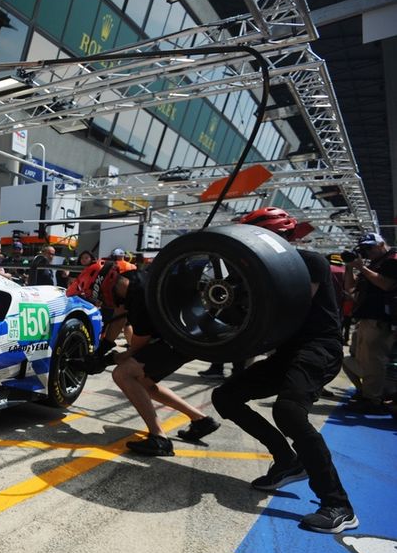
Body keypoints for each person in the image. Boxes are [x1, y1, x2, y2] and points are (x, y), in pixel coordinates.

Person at [211, 207, 357, 533]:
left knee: (289, 411)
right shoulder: (248, 272)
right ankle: (287, 460)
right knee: (226, 396)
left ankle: (339, 505)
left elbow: (289, 308)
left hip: (319, 348)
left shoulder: (309, 262)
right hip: (287, 351)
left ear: (282, 237)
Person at [73, 260, 219, 456]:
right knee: (144, 382)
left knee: (123, 375)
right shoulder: (133, 281)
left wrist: (110, 359)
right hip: (186, 334)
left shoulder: (141, 297)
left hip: (180, 340)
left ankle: (160, 439)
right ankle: (201, 420)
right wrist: (102, 349)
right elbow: (119, 316)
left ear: (104, 287)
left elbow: (136, 348)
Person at [342, 232, 397, 411]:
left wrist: (362, 268)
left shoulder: (392, 260)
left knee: (374, 360)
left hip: (380, 320)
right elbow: (351, 290)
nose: (367, 252)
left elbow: (387, 284)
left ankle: (372, 398)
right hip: (365, 319)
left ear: (381, 244)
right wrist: (350, 268)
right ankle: (367, 392)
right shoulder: (373, 265)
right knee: (354, 360)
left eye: (369, 247)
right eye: (364, 249)